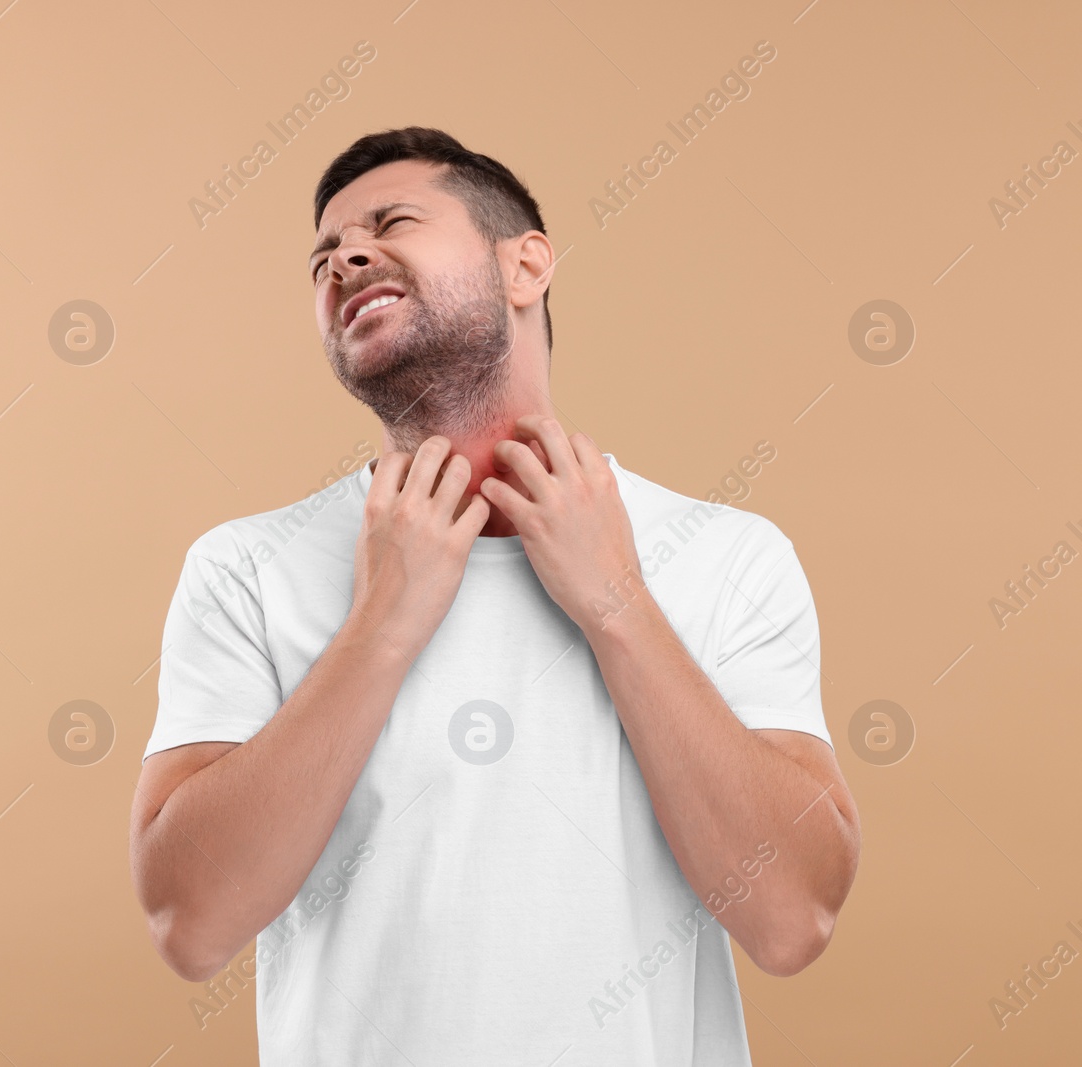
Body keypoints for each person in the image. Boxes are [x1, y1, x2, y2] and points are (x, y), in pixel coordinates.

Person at [128, 126, 861, 1065]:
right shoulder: (243, 569)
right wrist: (383, 627)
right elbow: (190, 924)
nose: (344, 256)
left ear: (527, 266)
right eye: (323, 256)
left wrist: (618, 604)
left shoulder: (729, 557)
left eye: (391, 222)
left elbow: (793, 918)